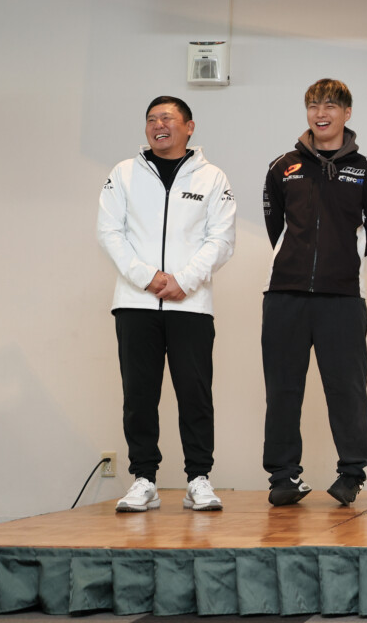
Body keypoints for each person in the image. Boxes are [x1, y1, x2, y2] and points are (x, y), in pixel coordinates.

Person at [98, 96, 236, 513]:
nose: (159, 125)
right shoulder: (123, 173)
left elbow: (221, 239)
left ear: (189, 127)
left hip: (191, 306)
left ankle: (199, 479)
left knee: (195, 394)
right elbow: (110, 232)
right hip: (135, 303)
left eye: (168, 118)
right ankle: (144, 479)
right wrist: (147, 277)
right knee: (139, 395)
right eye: (152, 119)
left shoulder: (212, 177)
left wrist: (184, 281)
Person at [261, 78, 367, 507]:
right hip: (285, 293)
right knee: (283, 389)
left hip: (343, 297)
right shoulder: (282, 167)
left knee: (347, 388)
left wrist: (340, 260)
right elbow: (276, 226)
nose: (321, 113)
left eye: (331, 105)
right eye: (314, 105)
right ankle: (283, 476)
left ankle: (351, 474)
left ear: (346, 113)